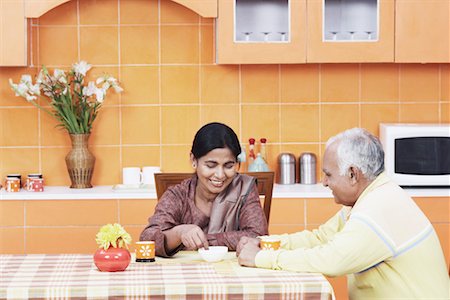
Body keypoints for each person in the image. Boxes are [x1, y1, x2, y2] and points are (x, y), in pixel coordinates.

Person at [237, 128, 449, 299]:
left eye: (328, 174)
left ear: (352, 174)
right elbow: (320, 238)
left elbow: (331, 260)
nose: (324, 182)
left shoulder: (378, 208)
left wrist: (262, 258)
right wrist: (265, 243)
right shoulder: (369, 199)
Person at [140, 122, 268, 257]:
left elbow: (258, 237)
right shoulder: (178, 195)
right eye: (211, 165)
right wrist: (179, 233)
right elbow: (147, 240)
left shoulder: (244, 188)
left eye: (228, 166)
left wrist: (205, 240)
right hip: (185, 273)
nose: (220, 175)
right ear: (194, 160)